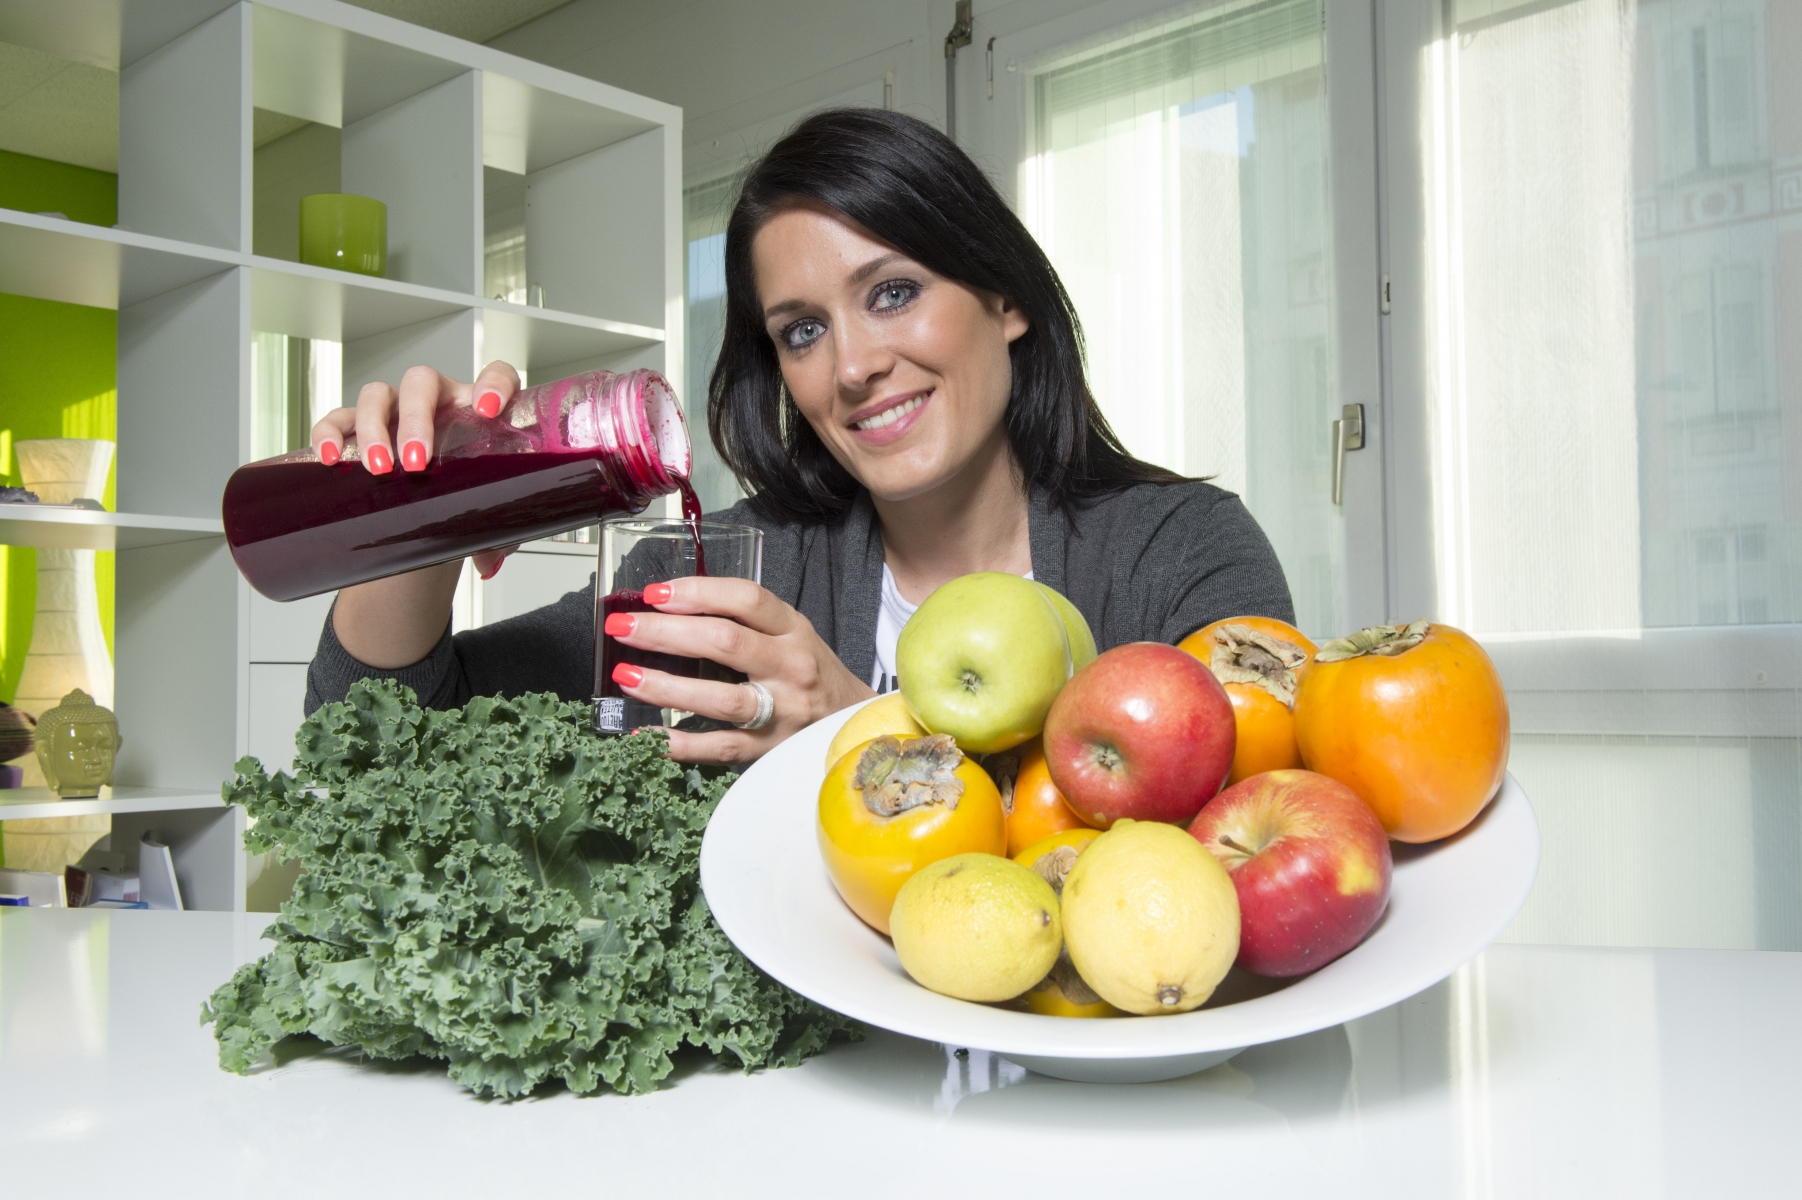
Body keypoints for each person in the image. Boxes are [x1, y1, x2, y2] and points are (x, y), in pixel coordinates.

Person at [306, 108, 1293, 764]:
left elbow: (1231, 851)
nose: (852, 364)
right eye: (802, 331)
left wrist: (857, 739)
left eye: (892, 293)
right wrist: (413, 514)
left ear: (1002, 298)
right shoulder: (724, 572)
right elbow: (388, 747)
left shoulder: (1182, 553)